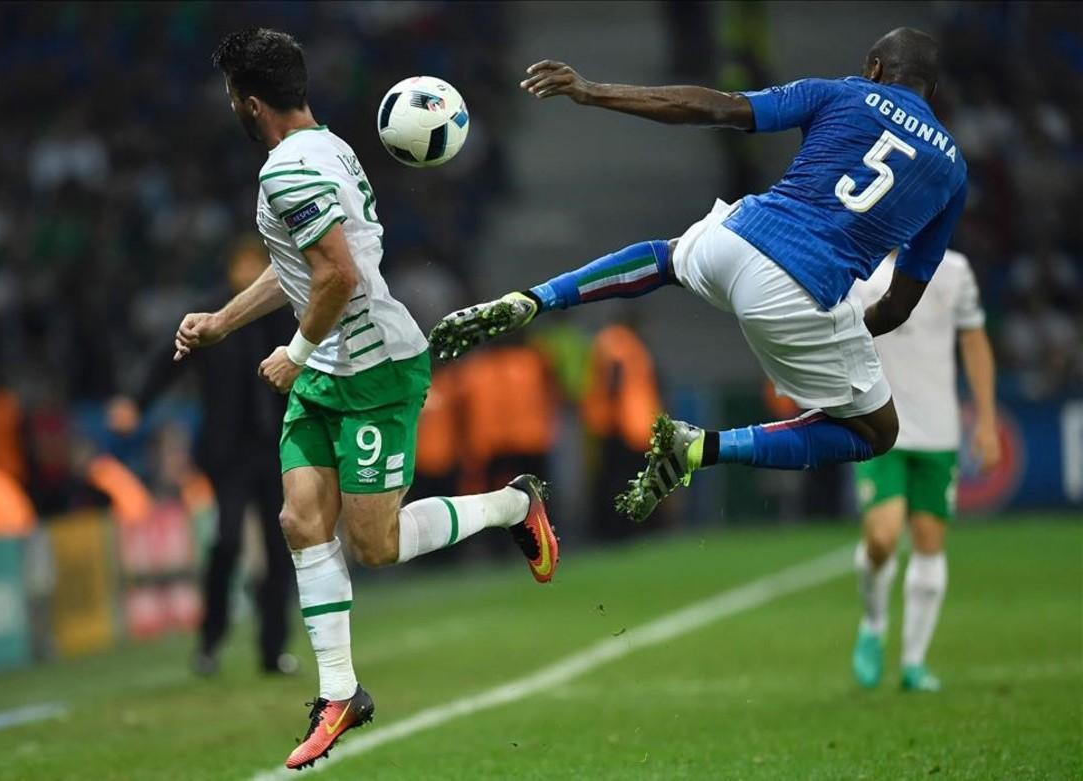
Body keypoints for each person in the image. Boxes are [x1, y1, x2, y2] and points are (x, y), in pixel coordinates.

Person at [174, 29, 559, 770]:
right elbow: (300, 267)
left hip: (376, 369)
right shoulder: (330, 148)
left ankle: (515, 502)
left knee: (373, 546)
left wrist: (294, 353)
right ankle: (339, 692)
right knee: (298, 518)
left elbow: (338, 277)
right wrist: (223, 321)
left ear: (247, 102)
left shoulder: (287, 170)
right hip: (332, 369)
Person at [431, 28, 968, 523]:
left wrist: (592, 91)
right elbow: (898, 306)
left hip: (736, 239)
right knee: (875, 432)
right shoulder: (951, 172)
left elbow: (717, 107)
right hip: (803, 289)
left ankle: (537, 298)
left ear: (875, 68)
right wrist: (844, 336)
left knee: (666, 257)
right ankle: (701, 447)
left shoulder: (842, 93)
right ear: (933, 90)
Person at [108, 238, 299, 678]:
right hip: (227, 450)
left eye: (258, 262)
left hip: (275, 445)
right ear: (230, 267)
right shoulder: (213, 314)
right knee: (228, 540)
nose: (251, 271)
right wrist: (136, 402)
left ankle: (273, 650)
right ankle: (209, 643)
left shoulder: (279, 311)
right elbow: (167, 358)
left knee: (278, 545)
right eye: (244, 262)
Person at [849, 249, 999, 692]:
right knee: (882, 538)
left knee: (930, 543)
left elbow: (974, 341)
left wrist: (987, 421)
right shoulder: (860, 270)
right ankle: (873, 625)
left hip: (938, 429)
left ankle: (913, 663)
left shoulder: (955, 271)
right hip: (880, 426)